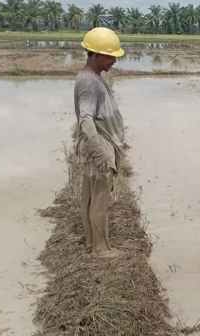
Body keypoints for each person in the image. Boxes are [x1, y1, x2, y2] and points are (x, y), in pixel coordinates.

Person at [74, 27, 126, 257]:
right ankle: (101, 248)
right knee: (100, 200)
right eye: (109, 55)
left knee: (90, 196)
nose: (114, 60)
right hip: (99, 144)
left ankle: (91, 242)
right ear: (94, 54)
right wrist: (102, 152)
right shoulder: (89, 82)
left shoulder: (93, 77)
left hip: (98, 143)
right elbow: (86, 119)